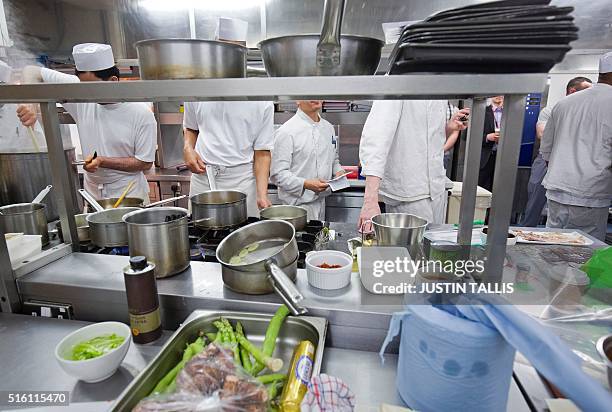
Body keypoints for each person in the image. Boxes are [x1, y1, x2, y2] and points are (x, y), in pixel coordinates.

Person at [16, 43, 157, 201]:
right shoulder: (82, 93)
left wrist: (103, 161)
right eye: (83, 88)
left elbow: (144, 163)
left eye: (92, 89)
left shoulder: (140, 113)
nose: (86, 96)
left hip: (129, 194)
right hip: (92, 196)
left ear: (113, 81)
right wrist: (29, 102)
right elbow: (31, 71)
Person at [358, 100, 469, 228]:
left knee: (433, 245)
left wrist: (449, 127)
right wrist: (370, 201)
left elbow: (426, 137)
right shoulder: (399, 81)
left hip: (437, 189)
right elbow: (376, 139)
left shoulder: (439, 88)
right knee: (409, 248)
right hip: (408, 193)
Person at [540, 52, 612, 241]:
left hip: (557, 189)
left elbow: (546, 149)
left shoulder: (564, 103)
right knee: (583, 253)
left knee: (552, 245)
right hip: (591, 193)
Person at [521, 77, 593, 227]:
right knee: (536, 199)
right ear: (572, 91)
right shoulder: (552, 110)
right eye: (587, 91)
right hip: (547, 159)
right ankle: (527, 231)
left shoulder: (589, 114)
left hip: (576, 162)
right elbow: (542, 134)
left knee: (571, 208)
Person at [182, 101, 274, 217]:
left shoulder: (261, 99)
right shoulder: (197, 89)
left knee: (245, 232)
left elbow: (262, 152)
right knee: (200, 231)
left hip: (242, 181)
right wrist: (188, 147)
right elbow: (191, 128)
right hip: (203, 177)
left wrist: (262, 194)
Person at [271, 100, 344, 220]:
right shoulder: (286, 131)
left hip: (322, 201)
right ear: (297, 100)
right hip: (297, 207)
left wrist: (338, 171)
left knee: (320, 238)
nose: (316, 97)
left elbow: (333, 158)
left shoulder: (328, 128)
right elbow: (278, 174)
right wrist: (306, 184)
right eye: (310, 92)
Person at [478, 96, 504, 191]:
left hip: (503, 157)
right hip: (484, 157)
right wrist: (488, 137)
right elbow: (467, 135)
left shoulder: (510, 113)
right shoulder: (481, 111)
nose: (499, 95)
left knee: (498, 189)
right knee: (480, 188)